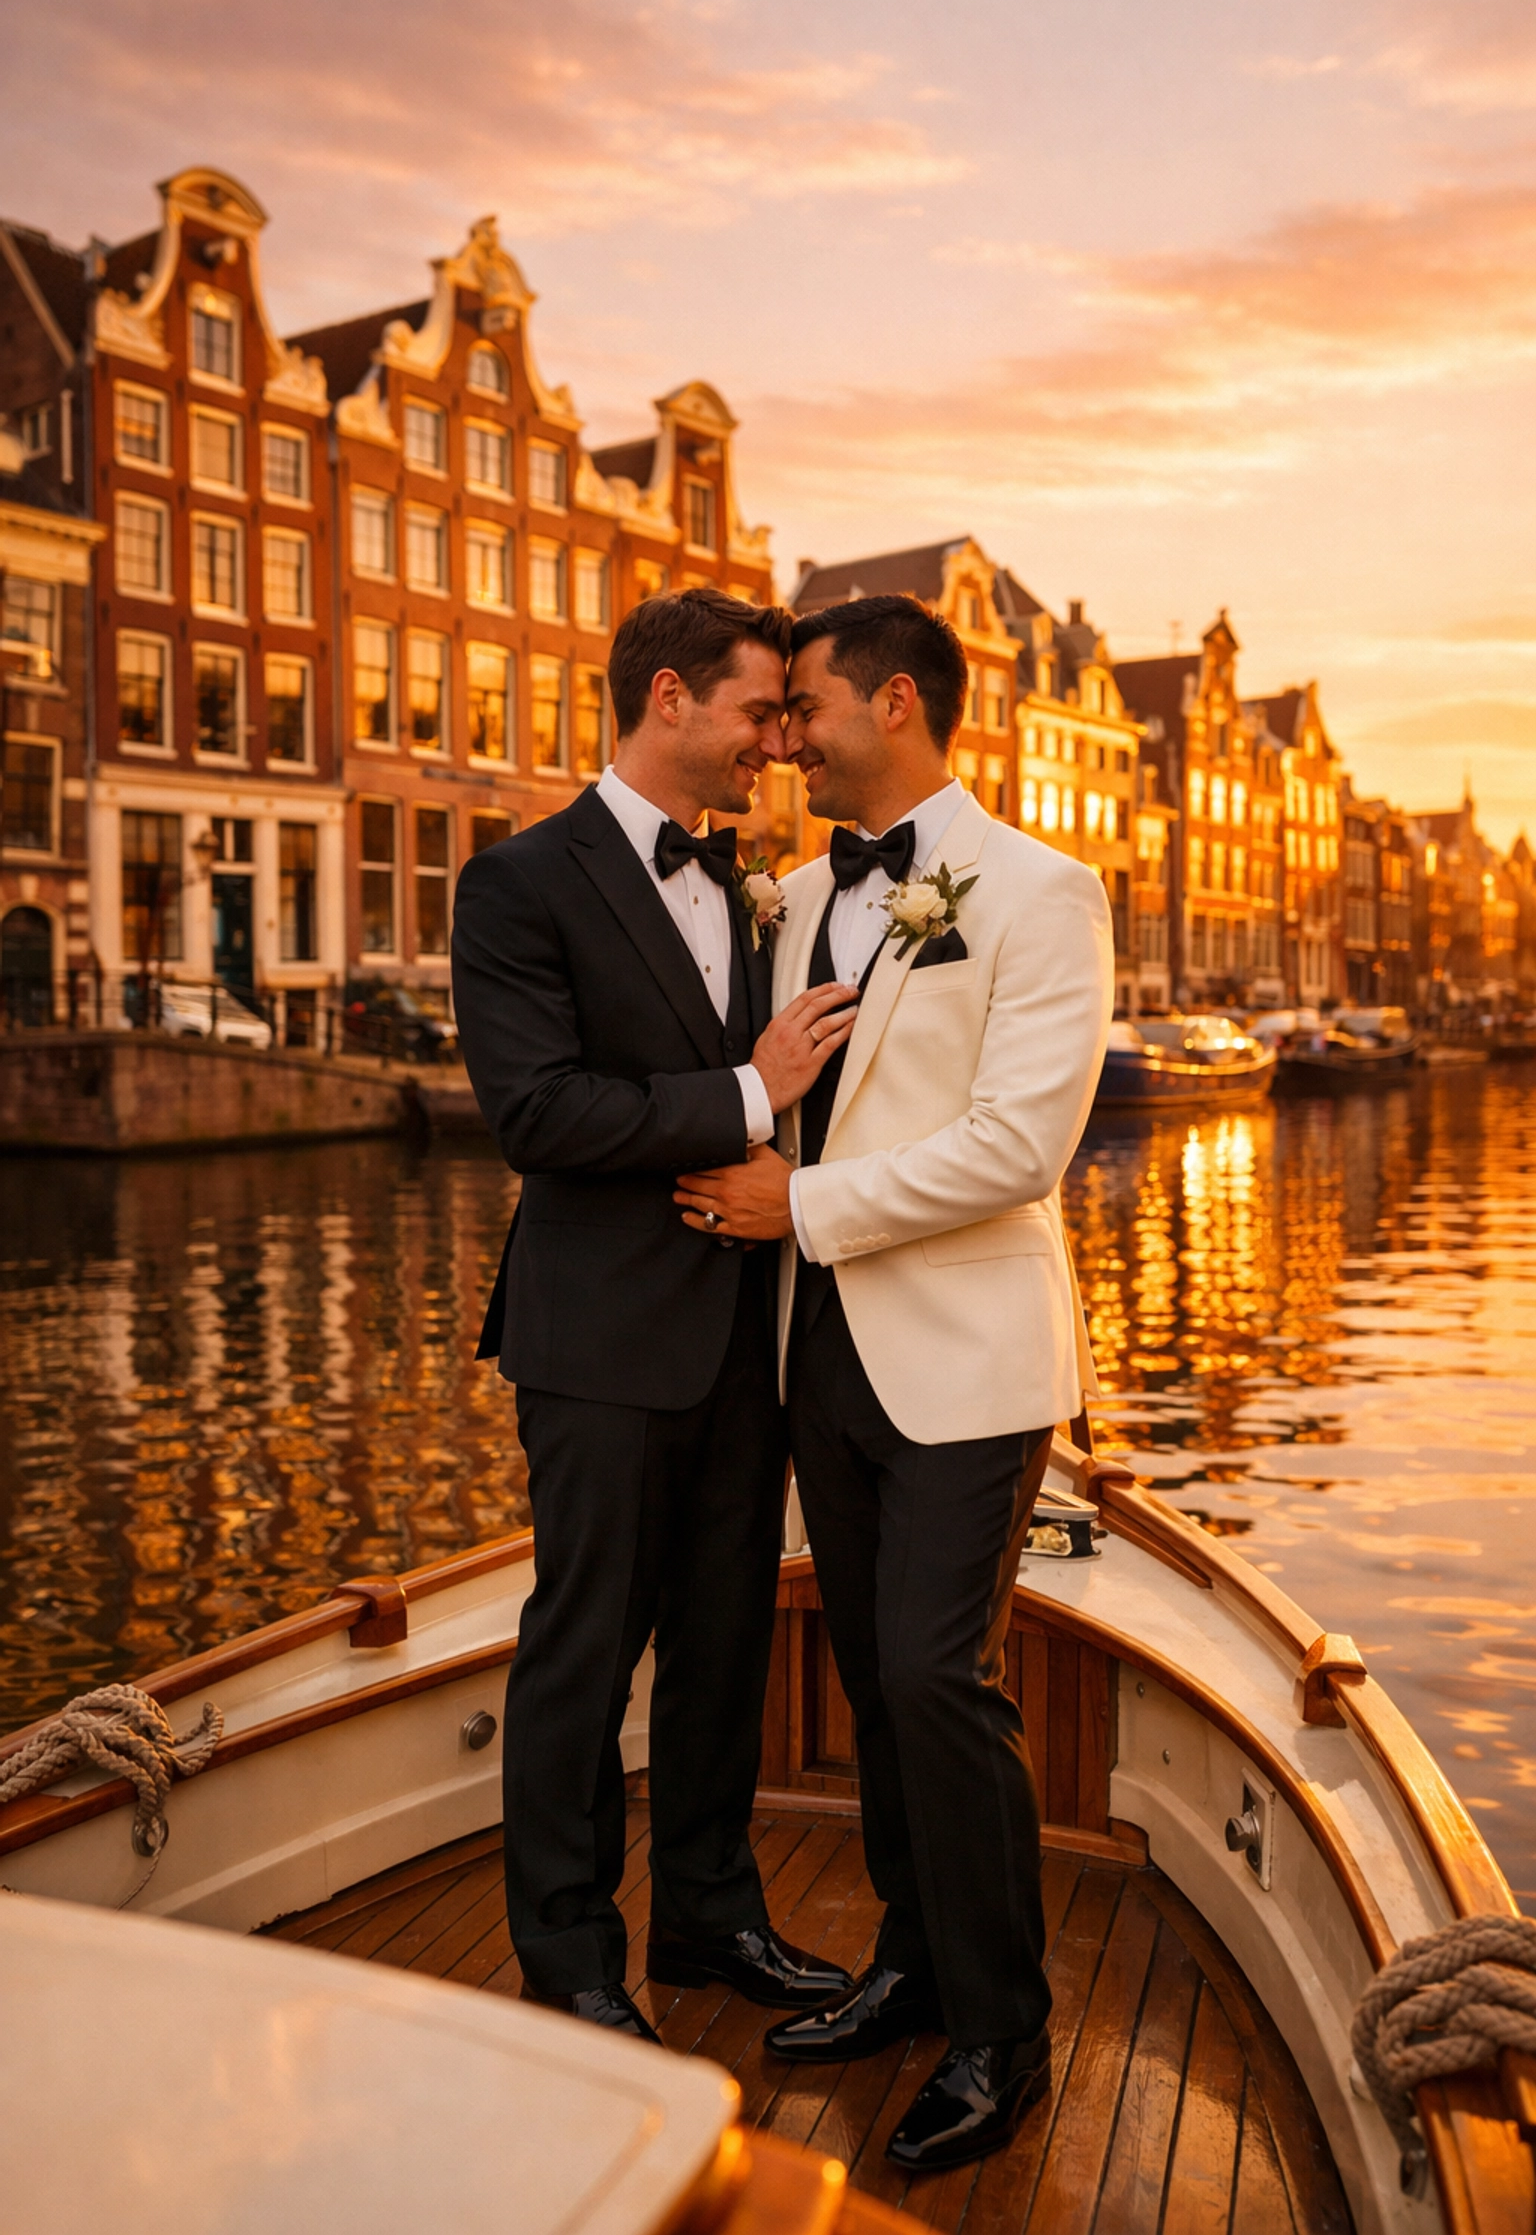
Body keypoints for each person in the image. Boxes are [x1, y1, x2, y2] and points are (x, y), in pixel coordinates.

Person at [674, 594, 1112, 2165]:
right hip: (820, 1353)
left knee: (939, 1677)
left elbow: (1019, 1148)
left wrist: (799, 1204)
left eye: (806, 706)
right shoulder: (795, 898)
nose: (783, 734)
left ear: (902, 706)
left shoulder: (1043, 892)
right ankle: (915, 1969)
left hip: (972, 1364)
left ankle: (1005, 2032)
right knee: (873, 1677)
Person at [453, 587, 860, 2042]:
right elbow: (539, 1114)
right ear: (671, 696)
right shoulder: (517, 883)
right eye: (761, 711)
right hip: (604, 1344)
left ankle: (708, 1915)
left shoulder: (763, 882)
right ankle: (569, 1955)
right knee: (583, 1643)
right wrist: (752, 1092)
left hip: (749, 1335)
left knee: (723, 1640)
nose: (778, 741)